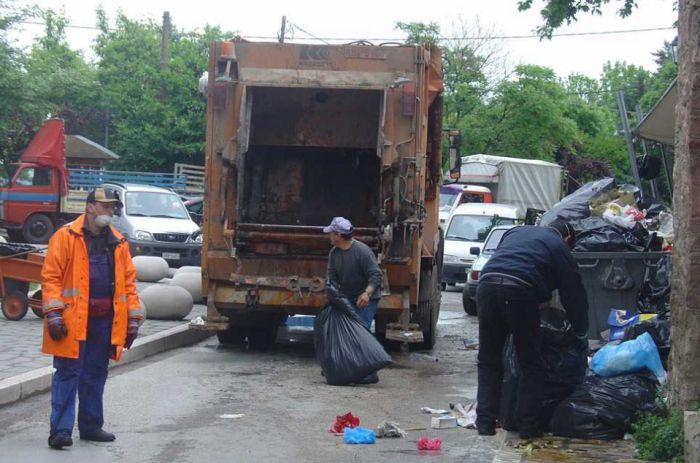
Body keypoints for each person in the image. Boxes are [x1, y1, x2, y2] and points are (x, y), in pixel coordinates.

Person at [41, 187, 143, 450]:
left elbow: (128, 285)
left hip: (104, 320)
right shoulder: (65, 237)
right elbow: (51, 277)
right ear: (89, 207)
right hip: (73, 319)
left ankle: (90, 426)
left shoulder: (118, 242)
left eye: (112, 207)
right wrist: (53, 313)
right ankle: (60, 431)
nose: (110, 211)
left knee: (96, 372)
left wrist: (133, 318)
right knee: (68, 372)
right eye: (105, 206)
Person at [474, 220, 588, 439]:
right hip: (520, 292)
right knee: (531, 362)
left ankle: (485, 422)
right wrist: (581, 330)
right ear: (567, 239)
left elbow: (507, 260)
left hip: (486, 286)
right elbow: (573, 293)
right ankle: (528, 427)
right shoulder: (558, 246)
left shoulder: (515, 231)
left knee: (488, 359)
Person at [324, 217, 383, 383]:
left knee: (360, 332)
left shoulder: (362, 252)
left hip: (367, 297)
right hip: (348, 297)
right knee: (345, 332)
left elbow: (376, 275)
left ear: (338, 235)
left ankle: (370, 372)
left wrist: (367, 293)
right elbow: (331, 276)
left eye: (331, 233)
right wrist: (332, 293)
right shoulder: (334, 253)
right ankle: (347, 368)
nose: (328, 236)